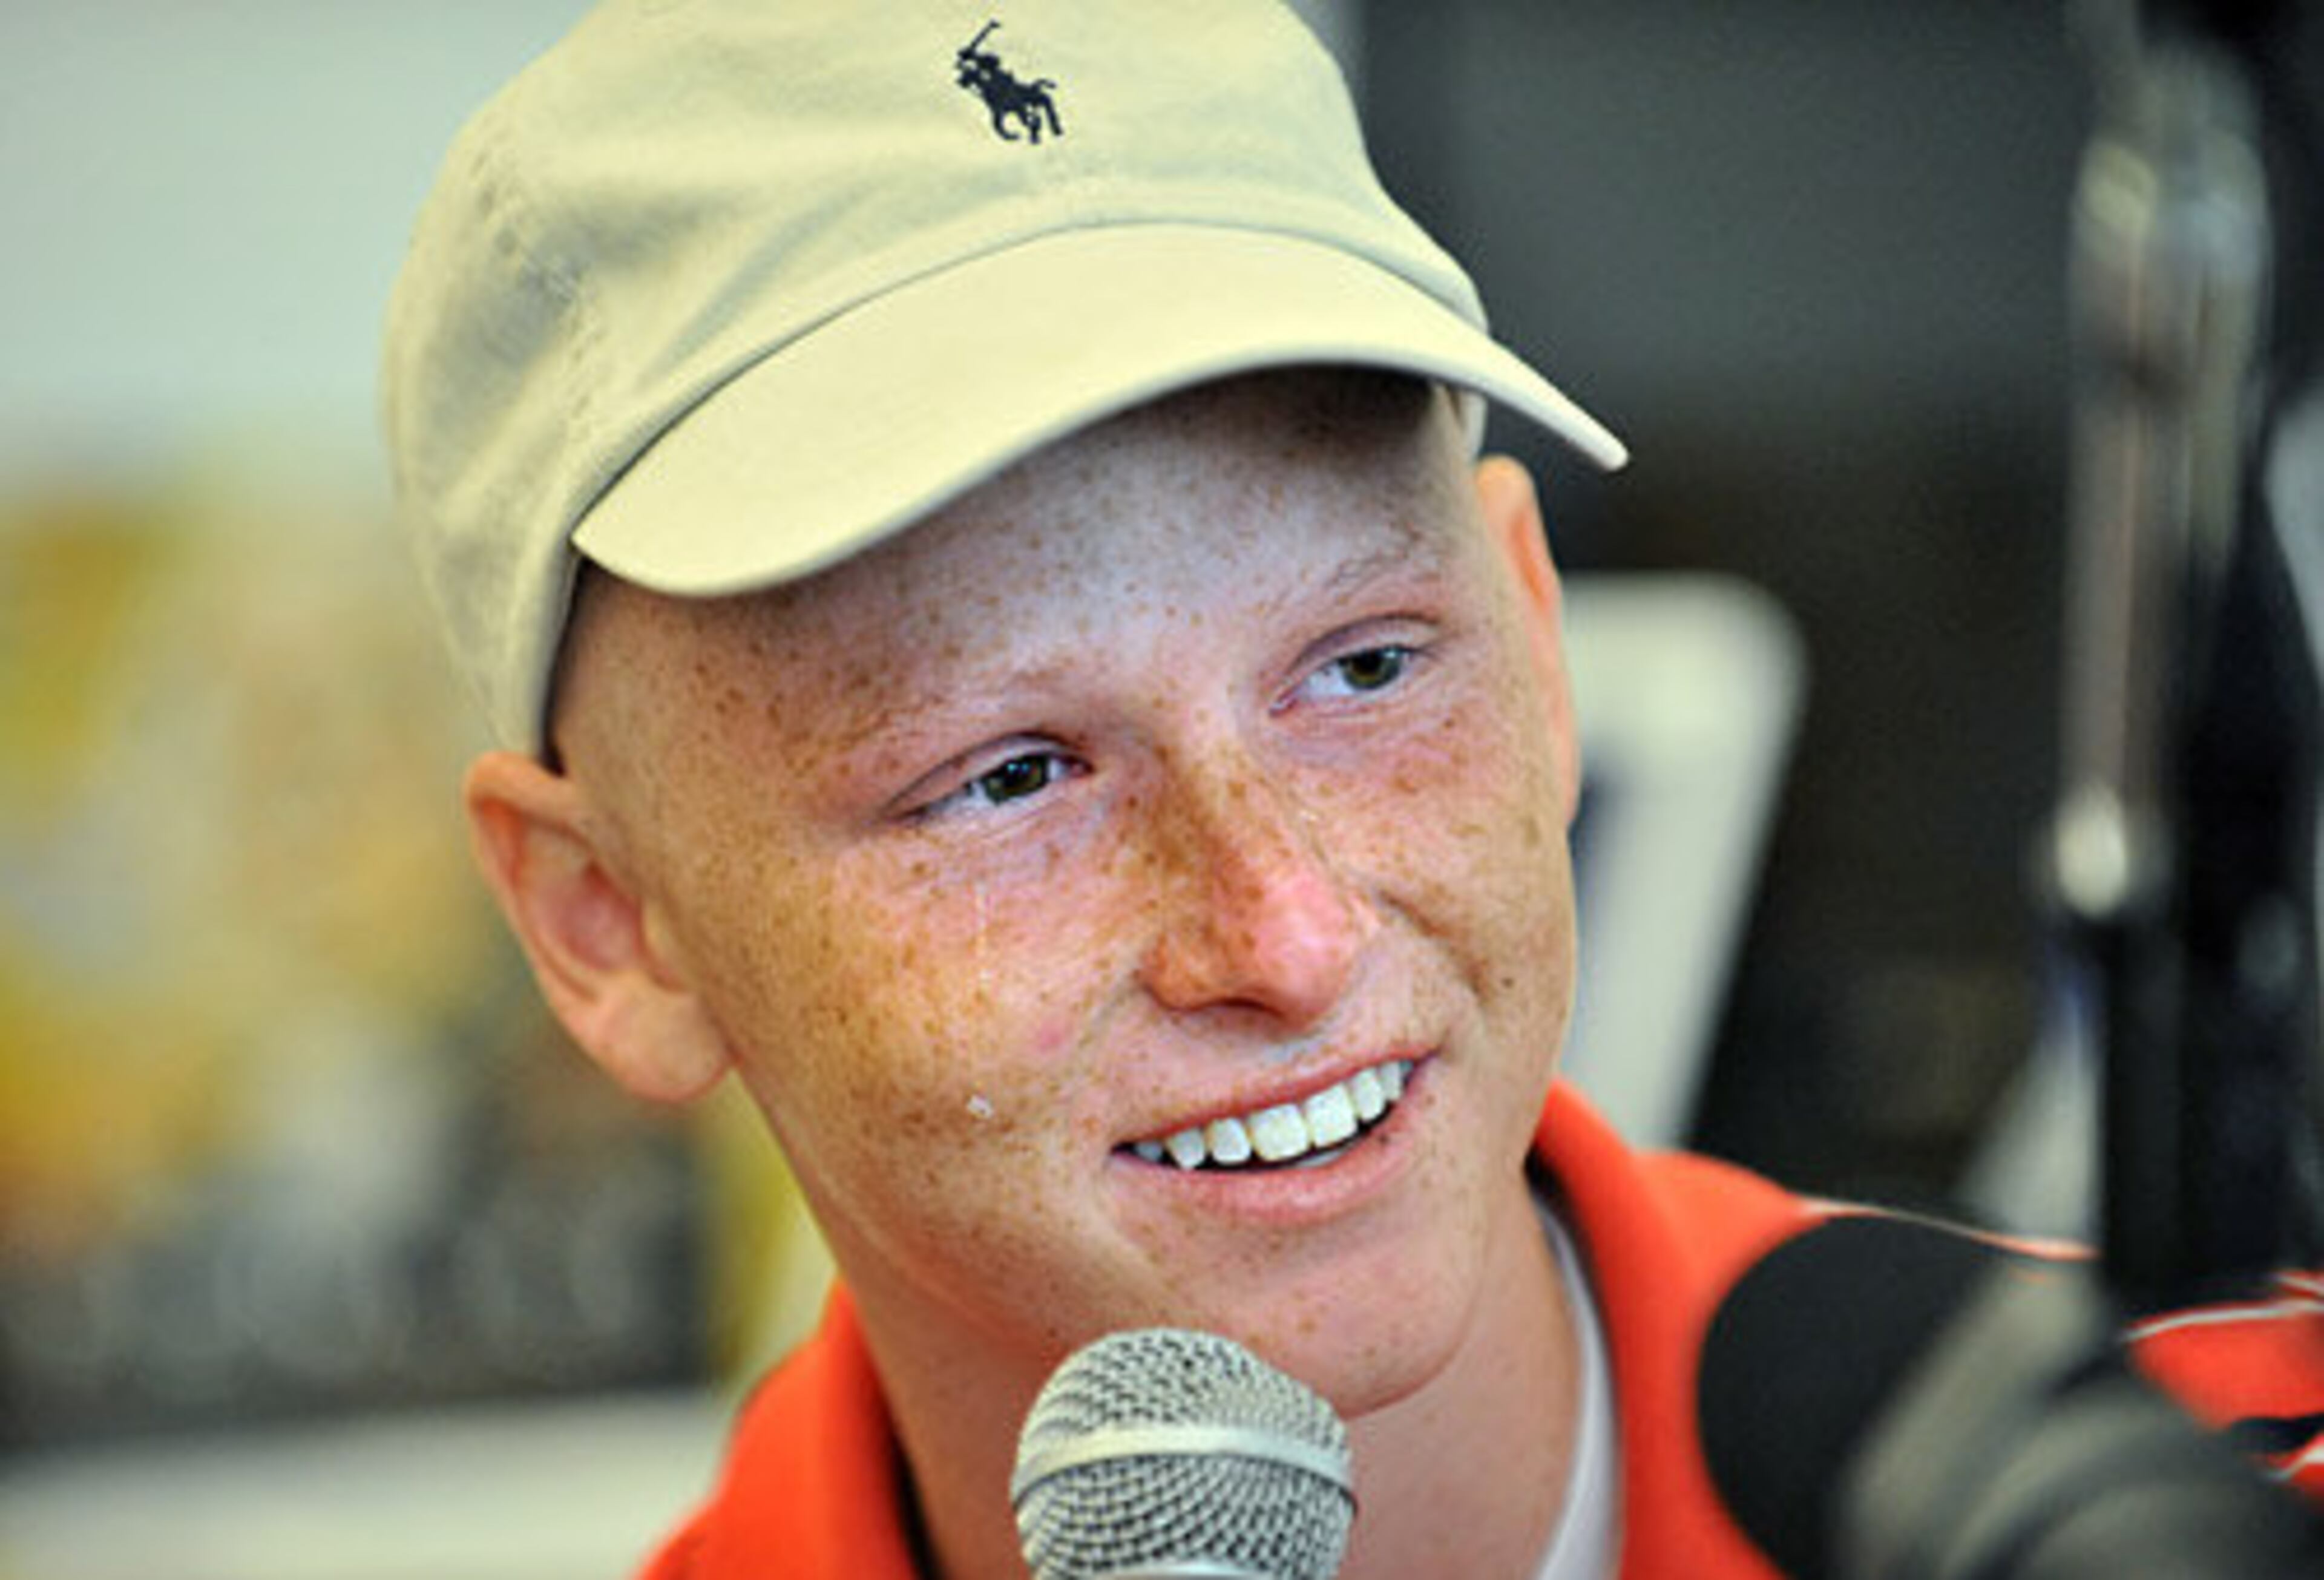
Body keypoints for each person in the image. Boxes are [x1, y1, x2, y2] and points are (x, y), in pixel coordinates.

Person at [381, 3, 2324, 1575]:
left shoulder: (2221, 1500)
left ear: (1540, 644)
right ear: (606, 922)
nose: (1288, 933)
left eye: (1368, 667)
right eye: (1008, 775)